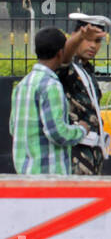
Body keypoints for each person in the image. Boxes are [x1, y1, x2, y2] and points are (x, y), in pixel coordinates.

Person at [9, 26, 98, 175]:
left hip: (25, 174)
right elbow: (57, 133)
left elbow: (14, 128)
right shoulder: (51, 85)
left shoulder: (22, 85)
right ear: (60, 53)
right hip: (49, 176)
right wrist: (81, 129)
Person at [58, 13, 111, 175]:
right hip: (74, 150)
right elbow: (63, 58)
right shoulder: (69, 68)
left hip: (94, 150)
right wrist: (80, 36)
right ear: (76, 36)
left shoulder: (87, 70)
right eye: (88, 40)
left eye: (97, 41)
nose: (93, 46)